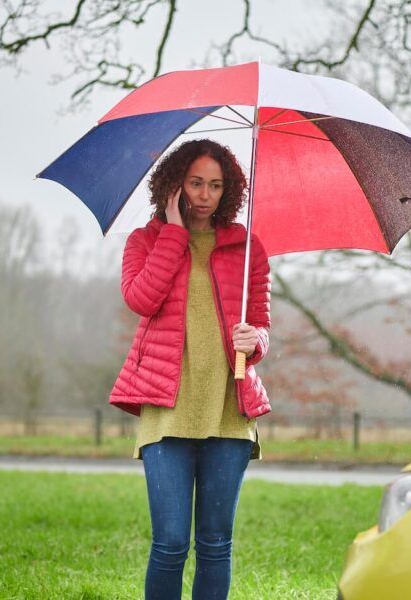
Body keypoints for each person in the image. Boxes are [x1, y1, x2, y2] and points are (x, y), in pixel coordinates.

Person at [108, 138, 272, 600]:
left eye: (216, 185)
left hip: (228, 412)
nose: (204, 194)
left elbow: (261, 324)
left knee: (216, 544)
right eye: (196, 182)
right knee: (171, 542)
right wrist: (175, 232)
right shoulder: (144, 241)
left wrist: (253, 340)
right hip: (167, 412)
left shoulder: (246, 249)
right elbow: (141, 299)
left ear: (229, 191)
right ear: (174, 184)